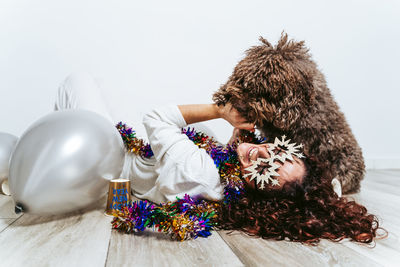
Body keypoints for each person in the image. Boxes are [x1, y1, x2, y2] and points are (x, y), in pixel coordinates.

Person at [55, 72, 384, 244]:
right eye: (279, 152)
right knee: (103, 85)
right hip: (144, 162)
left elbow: (155, 117)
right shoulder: (229, 184)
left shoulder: (201, 171)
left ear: (262, 193)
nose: (263, 153)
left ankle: (54, 159)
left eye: (267, 169)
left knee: (76, 81)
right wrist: (324, 191)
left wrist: (220, 111)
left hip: (109, 156)